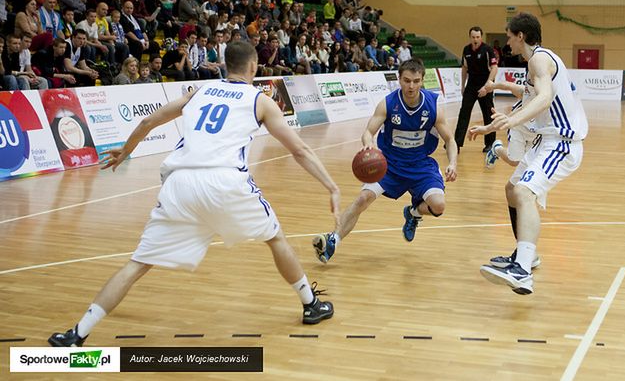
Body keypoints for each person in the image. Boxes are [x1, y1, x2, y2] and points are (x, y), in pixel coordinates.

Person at [48, 41, 340, 347]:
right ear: (254, 67)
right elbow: (300, 150)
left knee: (138, 262)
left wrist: (126, 151)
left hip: (180, 183)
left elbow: (149, 121)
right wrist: (331, 186)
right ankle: (310, 305)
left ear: (226, 64)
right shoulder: (260, 101)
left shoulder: (198, 92)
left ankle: (77, 333)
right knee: (275, 238)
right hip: (225, 181)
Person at [468, 12, 588, 295]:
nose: (506, 41)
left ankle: (521, 271)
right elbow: (529, 94)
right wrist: (491, 124)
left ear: (521, 36)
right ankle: (526, 255)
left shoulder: (539, 59)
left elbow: (545, 97)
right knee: (512, 190)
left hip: (561, 142)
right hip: (545, 142)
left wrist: (512, 121)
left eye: (509, 35)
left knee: (523, 192)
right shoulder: (535, 63)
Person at [312, 58, 458, 263]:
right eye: (407, 81)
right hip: (389, 165)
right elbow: (368, 132)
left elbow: (450, 140)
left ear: (422, 80)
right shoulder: (388, 103)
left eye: (416, 81)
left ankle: (414, 212)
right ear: (399, 79)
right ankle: (333, 240)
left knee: (439, 206)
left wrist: (453, 163)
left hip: (420, 165)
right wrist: (368, 144)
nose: (411, 86)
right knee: (362, 199)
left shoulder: (432, 105)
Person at [454, 26, 498, 154]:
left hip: (485, 84)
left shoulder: (488, 50)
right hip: (471, 85)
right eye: (473, 37)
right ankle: (456, 143)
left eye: (477, 37)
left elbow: (494, 68)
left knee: (489, 114)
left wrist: (487, 86)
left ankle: (490, 144)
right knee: (464, 113)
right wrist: (462, 86)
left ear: (481, 37)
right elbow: (464, 69)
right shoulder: (466, 50)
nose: (475, 39)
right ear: (470, 37)